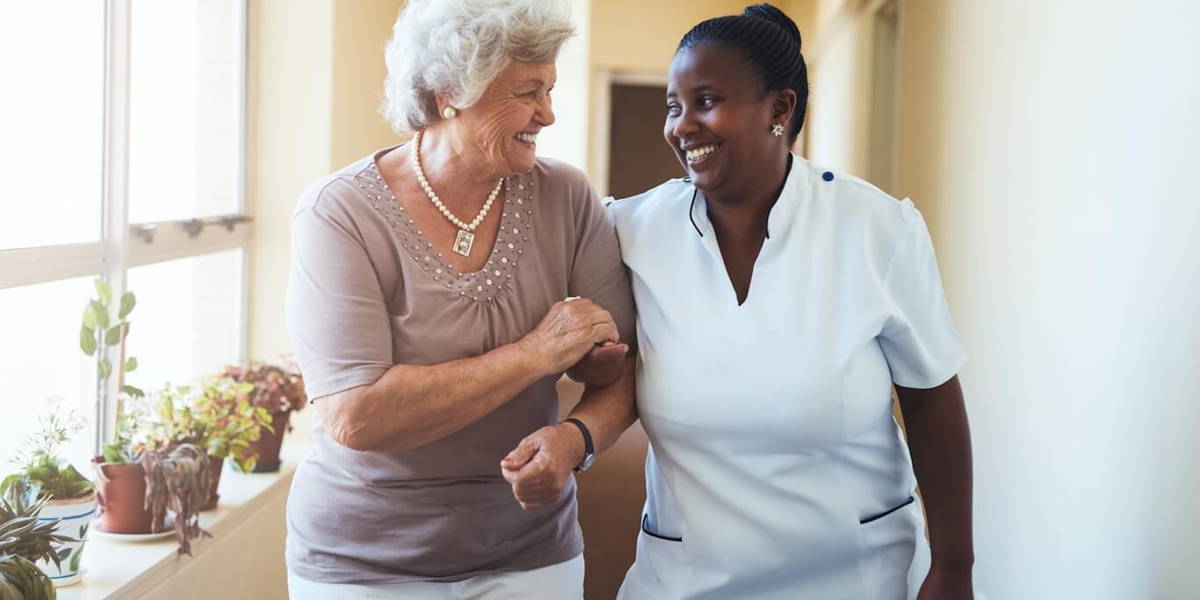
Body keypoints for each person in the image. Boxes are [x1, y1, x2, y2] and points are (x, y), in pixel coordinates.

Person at [611, 4, 974, 599]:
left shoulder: (876, 228)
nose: (681, 126)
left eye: (705, 101)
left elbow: (932, 400)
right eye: (673, 107)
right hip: (686, 575)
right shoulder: (631, 231)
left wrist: (954, 566)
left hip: (855, 573)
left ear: (779, 109)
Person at [283, 0, 636, 597]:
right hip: (365, 563)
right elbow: (357, 415)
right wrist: (538, 353)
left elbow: (627, 371)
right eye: (528, 92)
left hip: (529, 553)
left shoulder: (566, 196)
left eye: (550, 89)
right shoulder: (338, 213)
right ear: (451, 91)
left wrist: (575, 439)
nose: (547, 114)